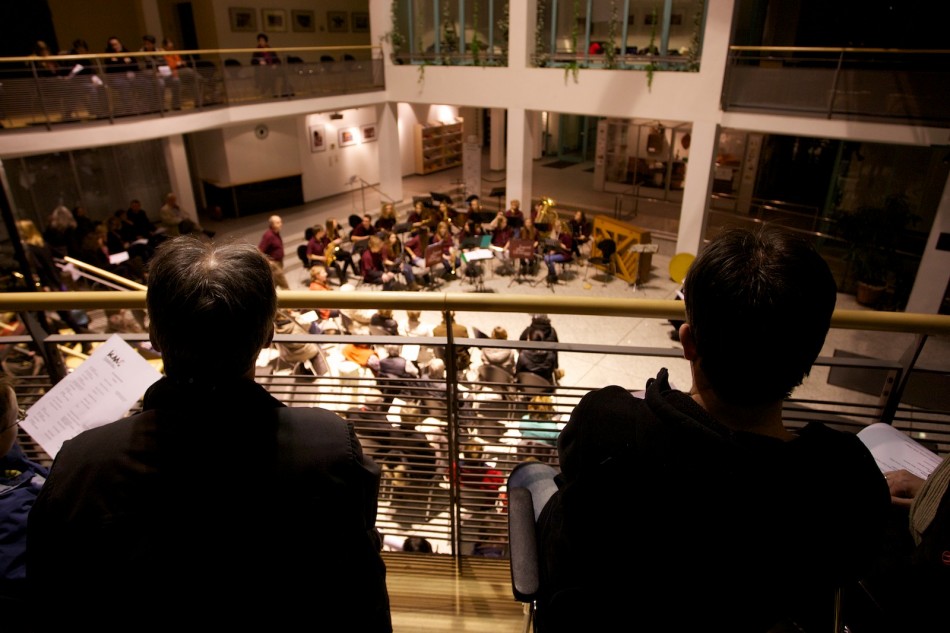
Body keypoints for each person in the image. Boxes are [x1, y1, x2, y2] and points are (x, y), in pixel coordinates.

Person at [510, 226, 890, 632]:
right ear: (810, 358)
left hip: (598, 609)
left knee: (532, 475)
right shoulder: (845, 481)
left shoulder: (608, 421)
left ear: (688, 341)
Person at [26, 236, 392, 631]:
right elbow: (362, 594)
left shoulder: (80, 466)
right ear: (268, 334)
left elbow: (53, 599)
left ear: (154, 335)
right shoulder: (330, 447)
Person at [0, 376, 48, 621]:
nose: (18, 426)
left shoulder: (7, 456)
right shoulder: (11, 515)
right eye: (16, 419)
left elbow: (26, 469)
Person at [251, 32, 282, 97]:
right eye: (260, 41)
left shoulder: (270, 50)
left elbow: (278, 60)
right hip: (262, 70)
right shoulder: (257, 51)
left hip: (271, 69)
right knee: (269, 74)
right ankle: (269, 90)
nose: (261, 42)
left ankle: (271, 90)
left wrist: (275, 64)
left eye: (262, 40)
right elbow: (253, 61)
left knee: (274, 73)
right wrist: (259, 62)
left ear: (266, 41)